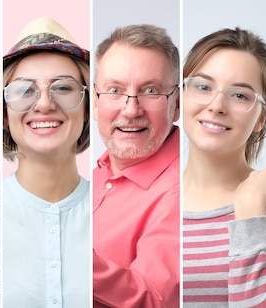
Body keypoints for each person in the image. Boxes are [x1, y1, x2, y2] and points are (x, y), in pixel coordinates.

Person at [1, 17, 90, 307]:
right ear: (3, 114)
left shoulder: (118, 211)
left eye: (63, 88)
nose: (43, 104)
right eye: (24, 90)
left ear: (88, 108)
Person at [92, 24, 180, 307]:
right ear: (95, 101)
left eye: (150, 90)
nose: (131, 110)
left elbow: (155, 298)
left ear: (176, 104)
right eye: (114, 90)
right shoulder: (89, 176)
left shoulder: (183, 191)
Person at [182, 27, 266, 306]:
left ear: (261, 120)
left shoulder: (260, 206)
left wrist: (250, 211)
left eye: (240, 95)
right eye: (203, 86)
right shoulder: (145, 201)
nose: (217, 105)